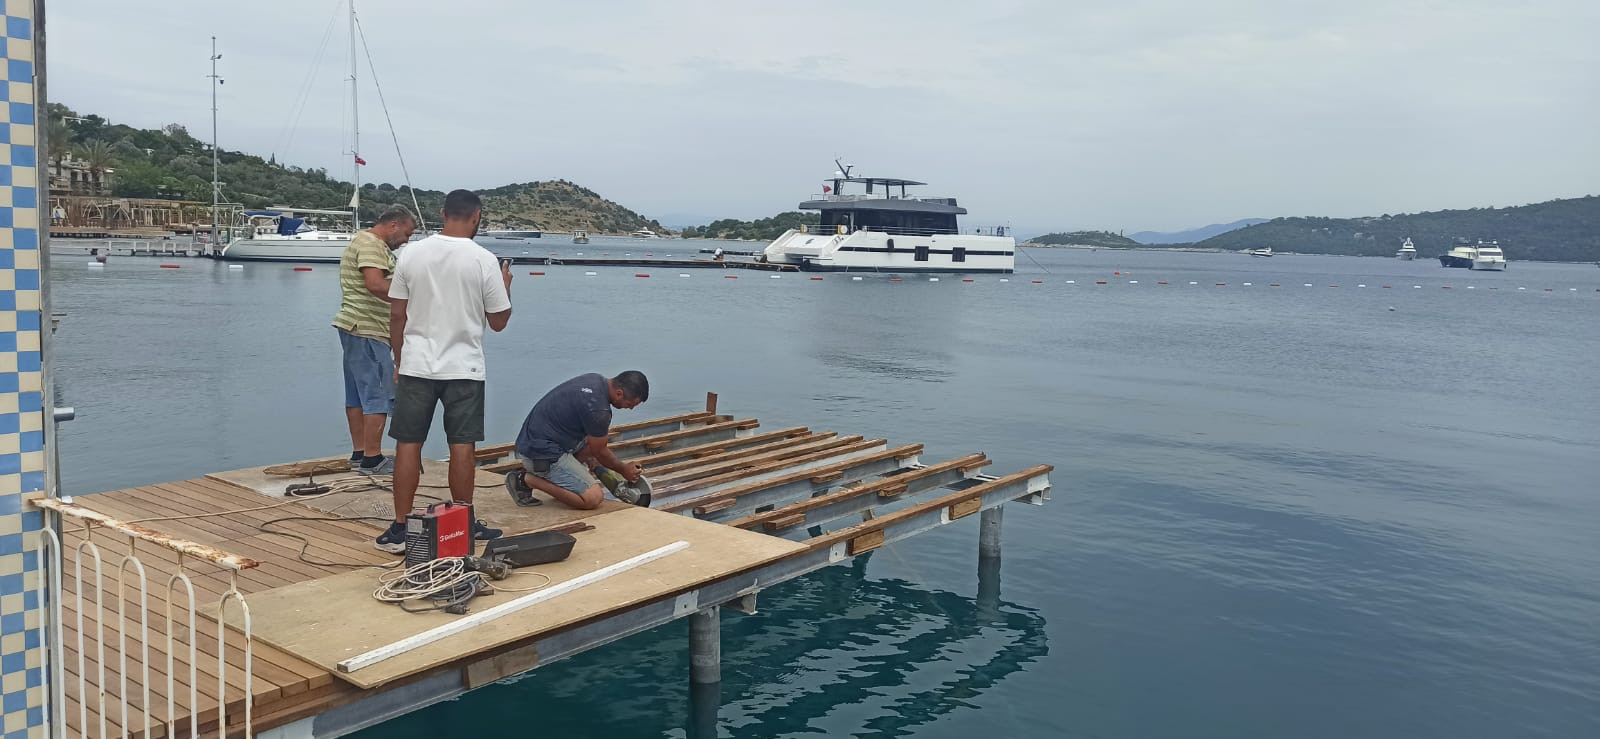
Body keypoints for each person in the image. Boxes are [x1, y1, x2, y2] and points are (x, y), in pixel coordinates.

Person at [376, 190, 512, 553]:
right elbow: (498, 321)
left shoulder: (410, 253)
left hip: (417, 364)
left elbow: (397, 313)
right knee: (462, 445)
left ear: (442, 213)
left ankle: (401, 527)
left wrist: (399, 360)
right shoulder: (484, 260)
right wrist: (507, 289)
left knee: (407, 444)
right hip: (464, 367)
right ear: (477, 216)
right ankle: (463, 520)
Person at [332, 205, 416, 476]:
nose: (407, 240)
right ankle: (372, 458)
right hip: (368, 328)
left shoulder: (362, 241)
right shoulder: (372, 244)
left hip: (354, 326)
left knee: (357, 395)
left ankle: (360, 453)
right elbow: (375, 284)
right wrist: (414, 296)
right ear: (394, 225)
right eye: (407, 233)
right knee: (377, 395)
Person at [505, 372, 650, 510]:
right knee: (593, 498)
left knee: (595, 442)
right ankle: (525, 480)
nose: (630, 408)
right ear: (619, 393)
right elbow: (600, 451)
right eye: (631, 403)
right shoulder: (598, 410)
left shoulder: (596, 380)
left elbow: (596, 446)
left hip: (537, 440)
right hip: (540, 453)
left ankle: (570, 479)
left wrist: (596, 458)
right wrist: (623, 469)